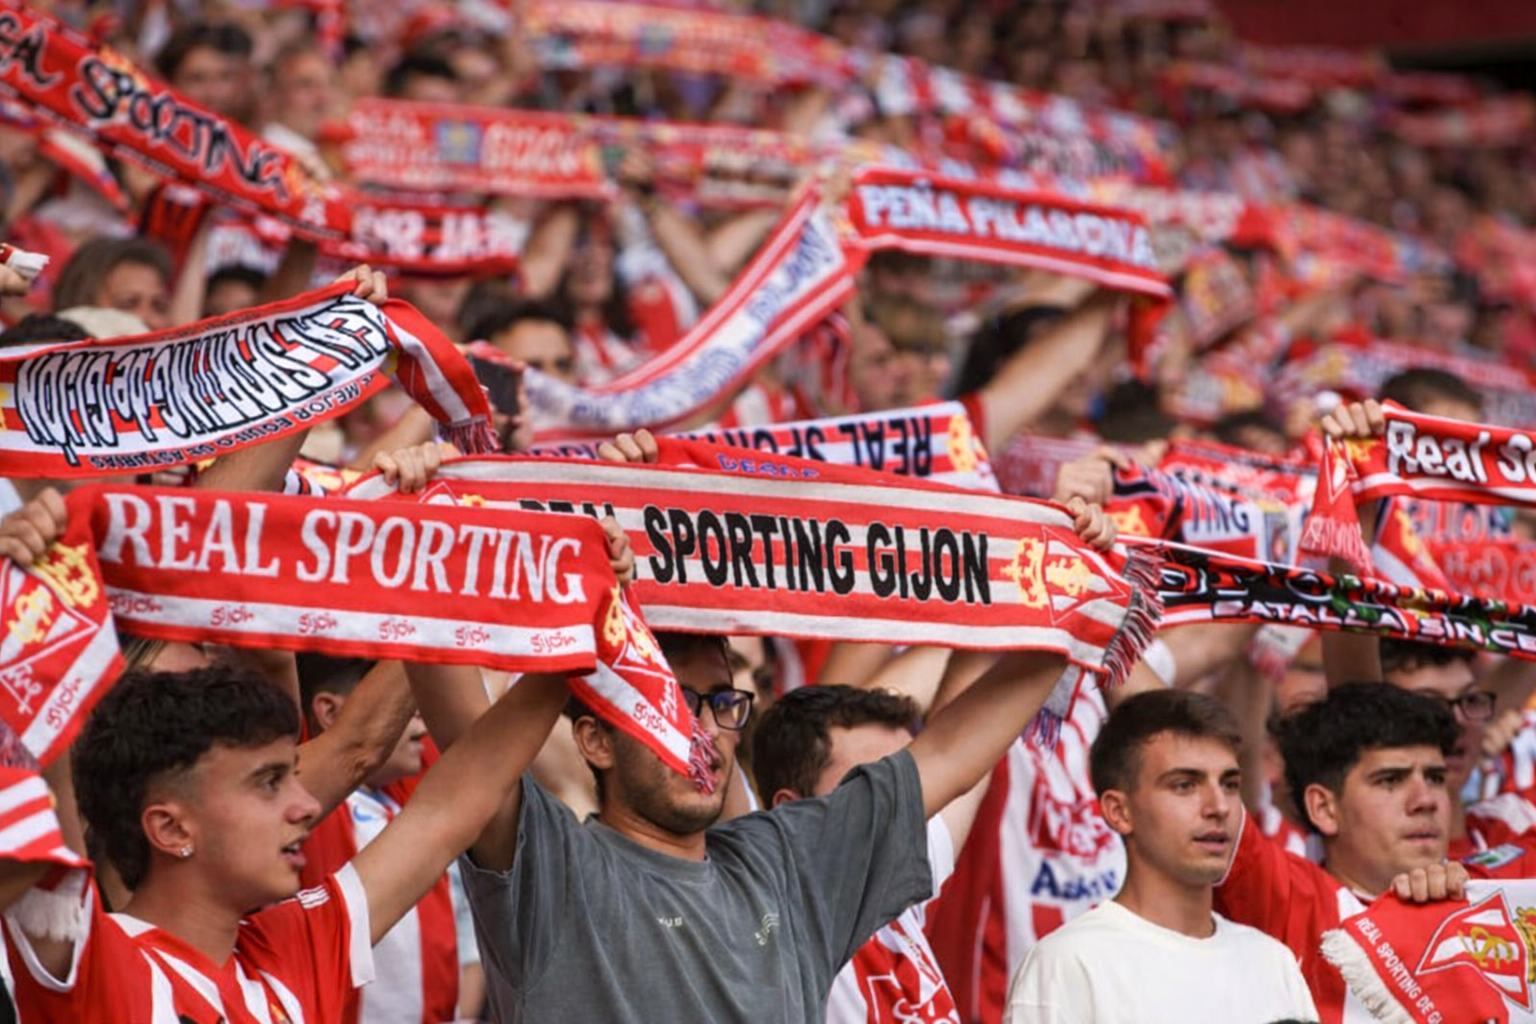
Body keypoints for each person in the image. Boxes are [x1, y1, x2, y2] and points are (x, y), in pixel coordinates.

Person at [407, 426, 1121, 1023]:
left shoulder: (789, 864)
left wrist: (1073, 599)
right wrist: (420, 522)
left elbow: (954, 755)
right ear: (592, 739)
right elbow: (461, 724)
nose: (701, 732)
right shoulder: (548, 869)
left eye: (719, 703)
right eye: (667, 701)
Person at [0, 491, 635, 1024]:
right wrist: (26, 597)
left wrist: (578, 628)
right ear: (170, 827)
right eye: (268, 783)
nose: (307, 804)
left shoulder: (294, 947)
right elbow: (38, 757)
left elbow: (454, 803)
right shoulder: (86, 962)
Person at [1003, 690, 1317, 1024]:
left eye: (1229, 784)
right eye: (1184, 785)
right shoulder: (1068, 963)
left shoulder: (1272, 962)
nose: (1219, 807)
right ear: (1119, 811)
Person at [1213, 683, 1470, 1024]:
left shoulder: (1490, 898)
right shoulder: (1287, 897)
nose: (1426, 800)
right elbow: (1168, 749)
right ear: (1324, 808)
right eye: (1390, 780)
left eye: (1436, 777)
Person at [751, 684, 975, 1024]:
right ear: (791, 812)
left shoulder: (897, 870)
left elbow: (964, 745)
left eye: (907, 786)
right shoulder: (776, 928)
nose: (901, 804)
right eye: (872, 790)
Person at [297, 654, 460, 1024]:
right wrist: (428, 619)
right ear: (330, 712)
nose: (421, 725)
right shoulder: (307, 806)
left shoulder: (406, 791)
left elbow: (478, 717)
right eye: (406, 709)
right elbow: (356, 748)